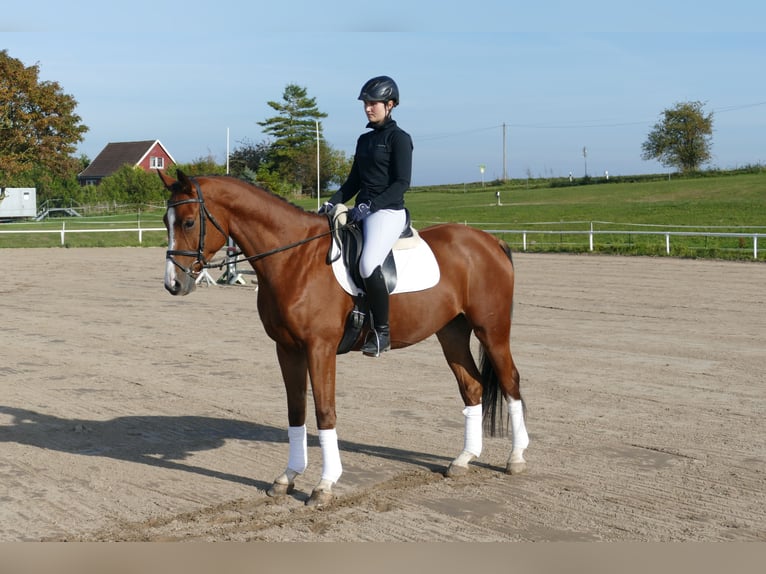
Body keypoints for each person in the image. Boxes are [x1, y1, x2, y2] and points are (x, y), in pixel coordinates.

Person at [319, 76, 413, 357]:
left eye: (373, 103)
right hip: (363, 211)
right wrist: (332, 202)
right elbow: (352, 183)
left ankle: (382, 332)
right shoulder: (364, 140)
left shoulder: (399, 139)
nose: (368, 108)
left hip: (388, 211)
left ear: (390, 104)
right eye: (365, 104)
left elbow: (401, 183)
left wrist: (370, 206)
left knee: (368, 263)